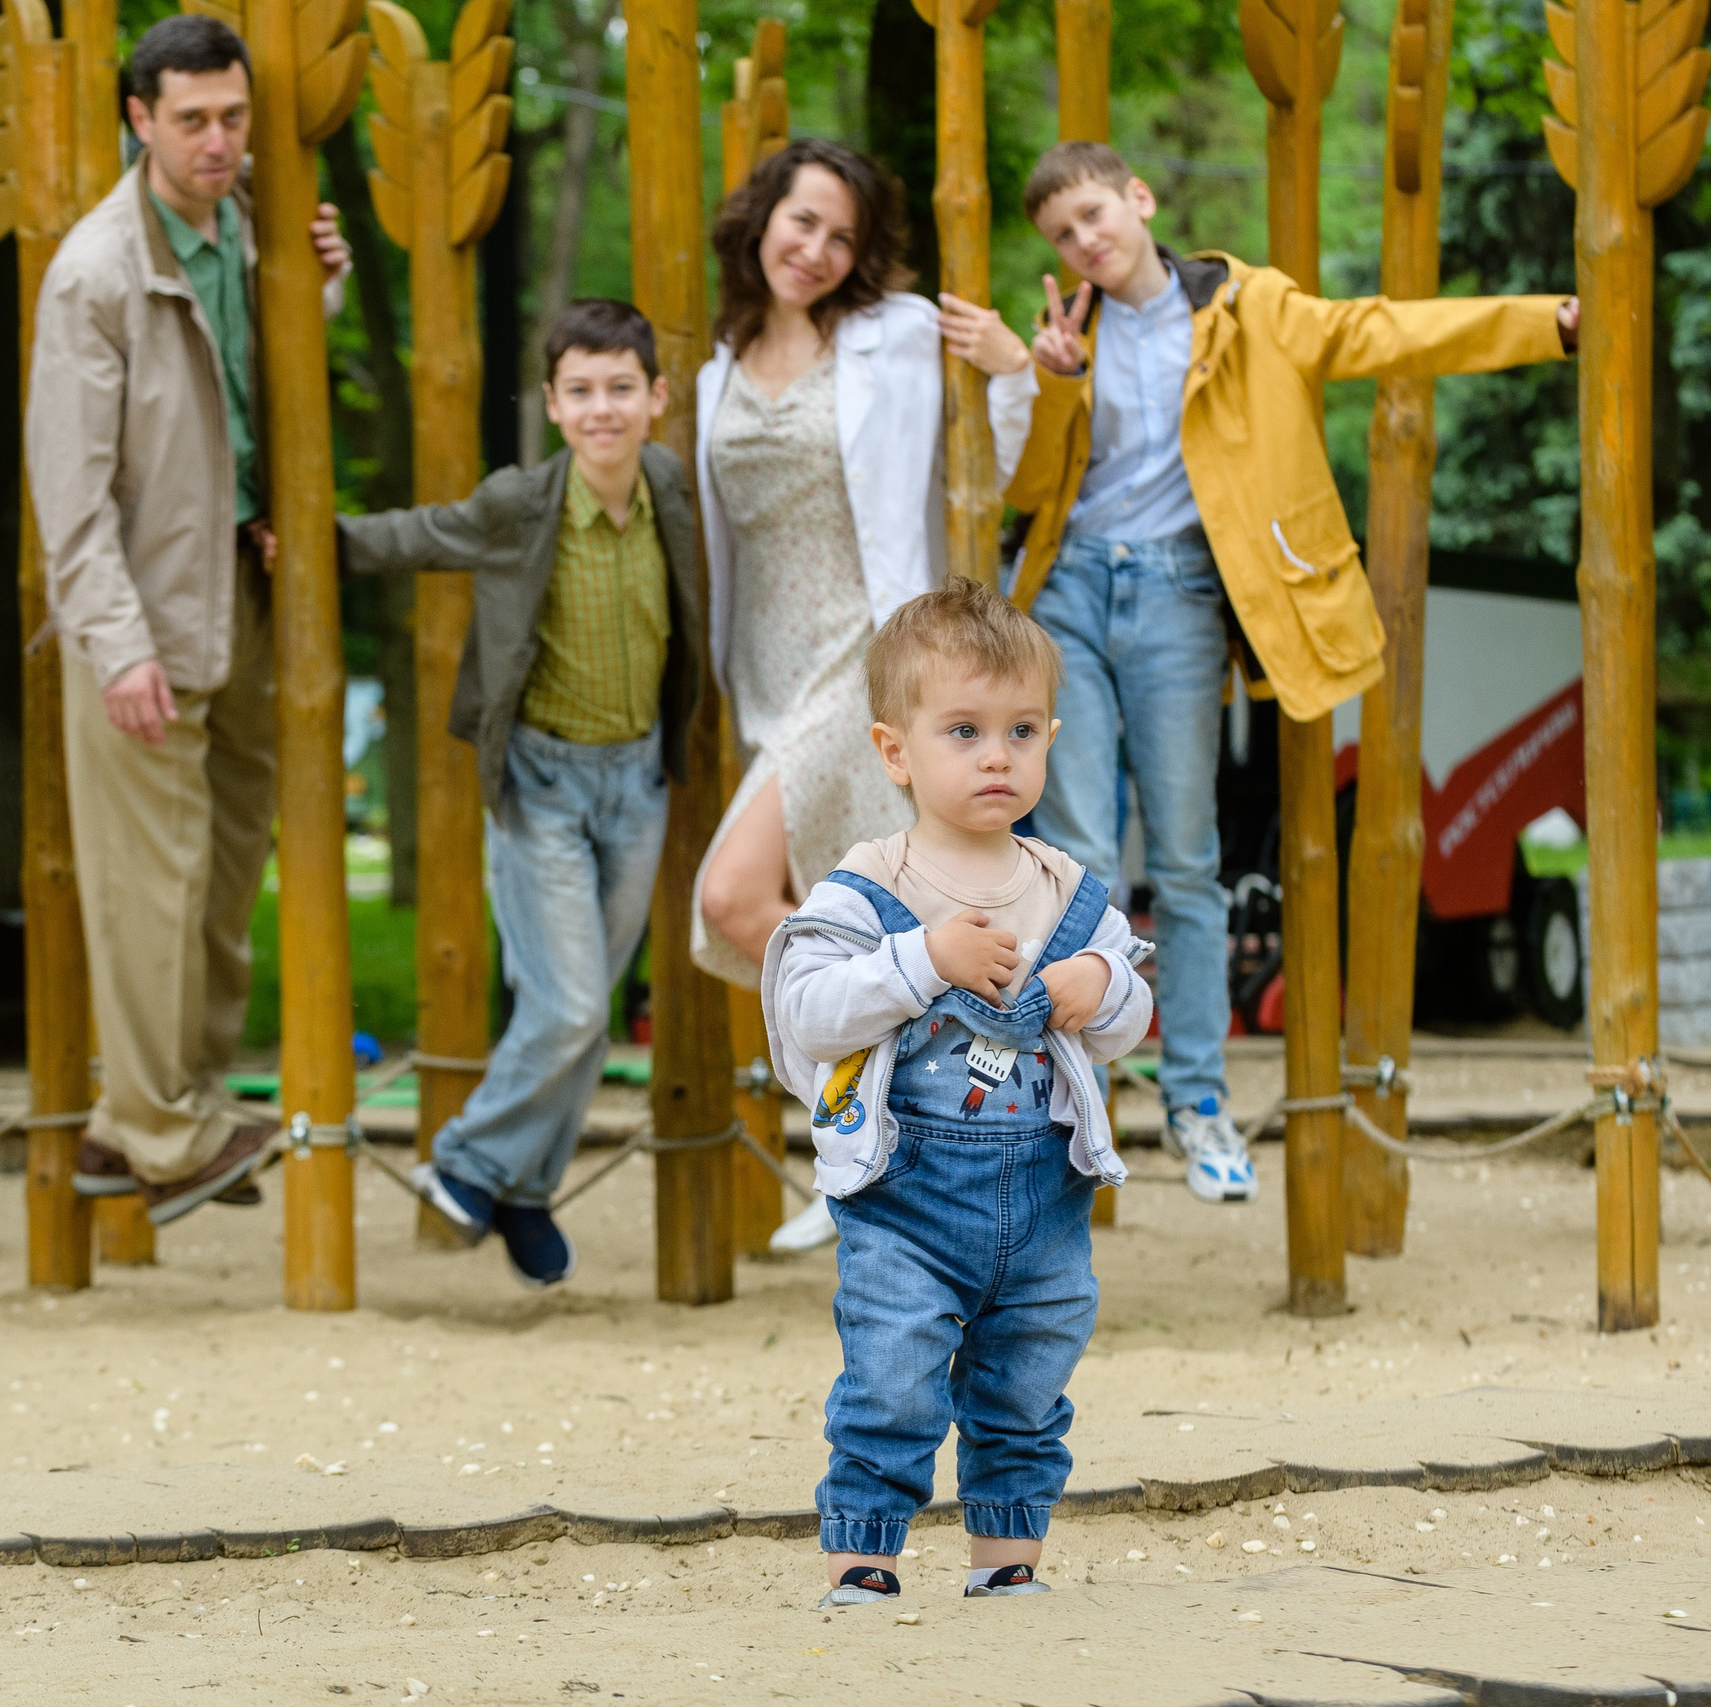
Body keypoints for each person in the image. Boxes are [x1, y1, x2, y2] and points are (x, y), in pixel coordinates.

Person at [940, 140, 1580, 1205]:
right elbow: (1035, 492)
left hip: (1183, 598)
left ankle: (1195, 1100)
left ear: (1140, 201)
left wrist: (1546, 321)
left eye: (1095, 216)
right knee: (1078, 852)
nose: (1084, 242)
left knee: (1186, 858)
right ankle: (1082, 1095)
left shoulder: (1248, 307)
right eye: (1061, 235)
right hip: (1067, 601)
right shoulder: (1072, 338)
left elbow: (1383, 331)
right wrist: (1047, 382)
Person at [760, 582, 1150, 1611]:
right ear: (895, 752)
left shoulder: (1066, 889)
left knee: (1027, 1378)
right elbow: (807, 1011)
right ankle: (863, 1555)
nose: (996, 756)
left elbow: (1127, 1018)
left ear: (1051, 737)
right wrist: (922, 957)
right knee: (891, 1377)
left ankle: (1005, 1555)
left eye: (1021, 731)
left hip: (1046, 1195)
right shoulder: (866, 886)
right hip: (905, 1192)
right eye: (964, 731)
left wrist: (1101, 986)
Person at [25, 12, 352, 1225]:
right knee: (146, 888)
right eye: (193, 121)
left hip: (242, 587)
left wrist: (313, 287)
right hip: (144, 621)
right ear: (139, 120)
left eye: (232, 115)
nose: (219, 141)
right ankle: (164, 1126)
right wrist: (115, 646)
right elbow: (70, 492)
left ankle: (163, 1115)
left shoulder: (258, 221)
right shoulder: (95, 271)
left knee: (221, 879)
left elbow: (238, 403)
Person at [335, 300, 706, 1287]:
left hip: (635, 783)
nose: (602, 409)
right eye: (579, 391)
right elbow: (419, 534)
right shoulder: (519, 504)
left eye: (620, 389)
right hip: (540, 780)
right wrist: (313, 541)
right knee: (573, 1001)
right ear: (551, 404)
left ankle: (526, 1187)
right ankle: (467, 1163)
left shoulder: (669, 486)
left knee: (584, 1010)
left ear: (655, 397)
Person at [688, 139, 951, 1257]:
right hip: (770, 671)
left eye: (841, 235)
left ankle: (858, 1119)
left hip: (863, 652)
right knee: (845, 924)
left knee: (734, 898)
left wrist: (1029, 366)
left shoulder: (895, 334)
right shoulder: (717, 361)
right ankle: (898, 1123)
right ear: (761, 219)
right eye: (802, 222)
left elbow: (1002, 421)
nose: (817, 249)